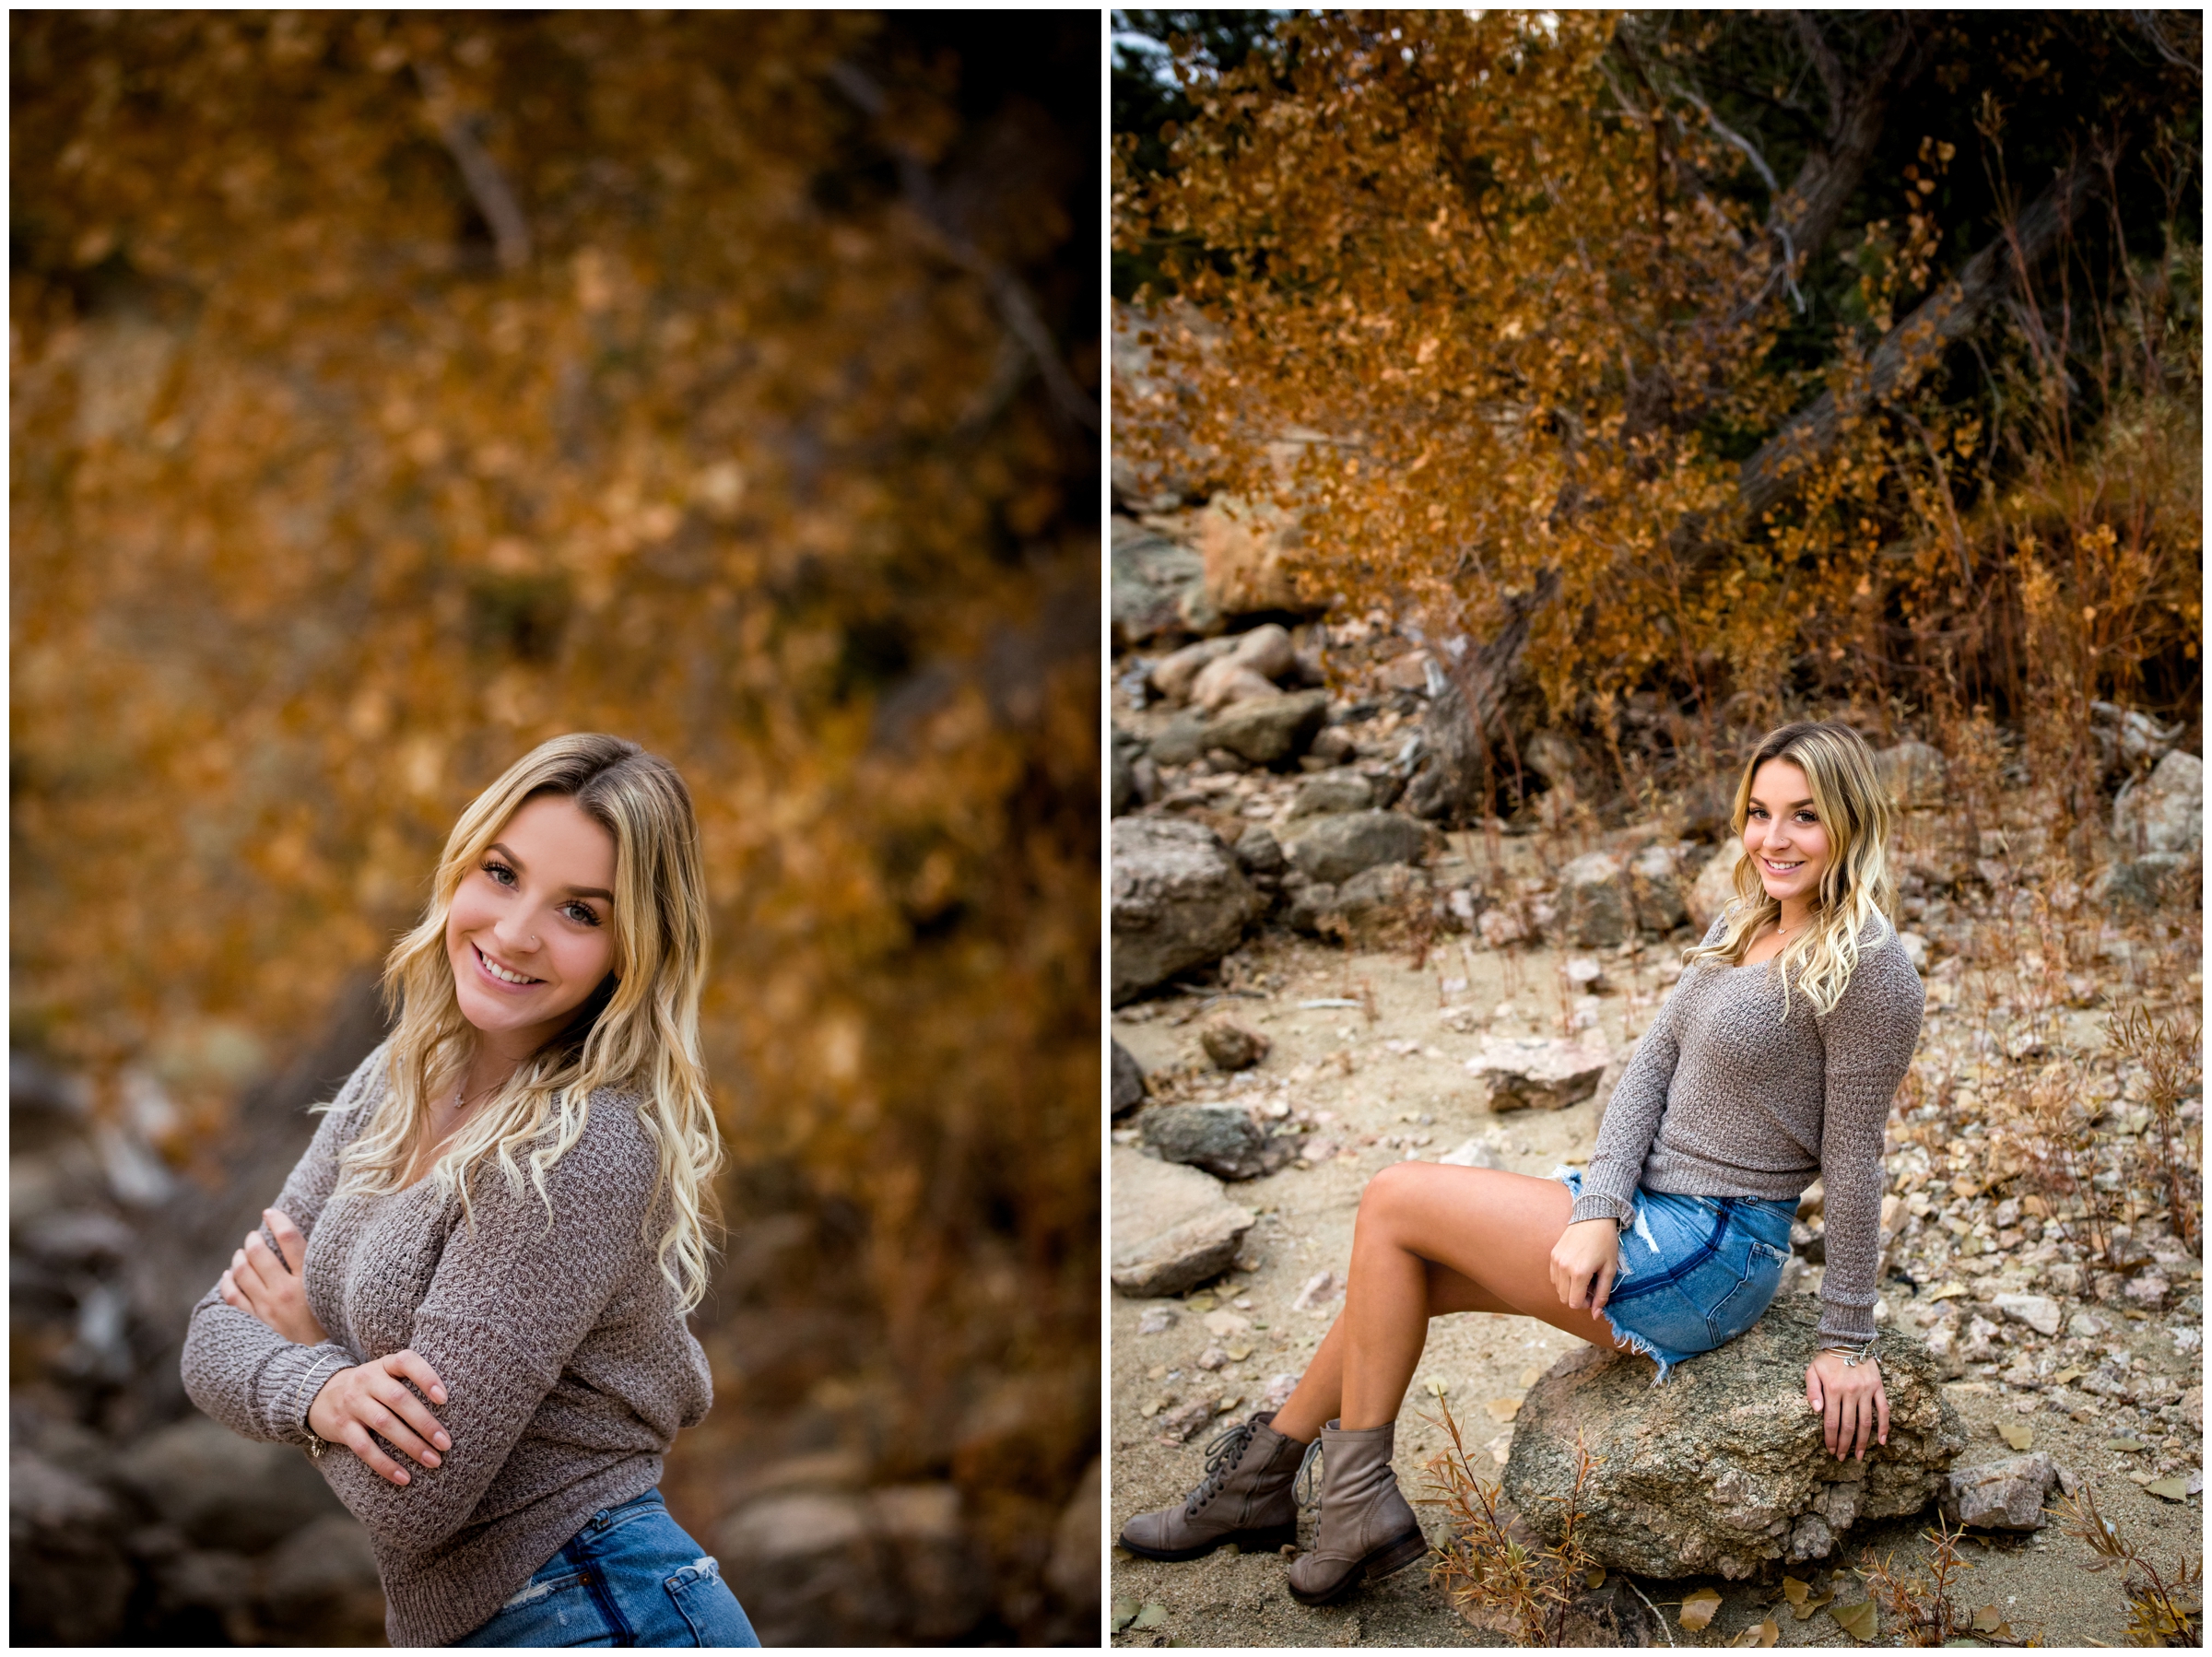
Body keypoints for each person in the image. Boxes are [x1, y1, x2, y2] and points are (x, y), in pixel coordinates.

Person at [1118, 720, 1925, 1606]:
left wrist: (1848, 1342)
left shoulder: (1871, 970)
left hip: (1713, 1250)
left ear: (1849, 821)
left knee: (1394, 1198)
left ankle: (1341, 1501)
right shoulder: (1746, 925)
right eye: (1760, 814)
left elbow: (1856, 1161)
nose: (1774, 839)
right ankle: (1260, 1485)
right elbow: (1649, 1067)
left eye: (1804, 817)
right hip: (1647, 1210)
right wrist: (1599, 1208)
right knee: (1401, 1270)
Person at [182, 733, 758, 1647]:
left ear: (634, 949)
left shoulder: (580, 1149)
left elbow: (409, 1496)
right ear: (461, 865)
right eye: (501, 872)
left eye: (579, 910)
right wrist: (325, 1391)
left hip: (604, 1610)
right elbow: (211, 1334)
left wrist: (307, 1354)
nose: (516, 930)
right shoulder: (400, 1074)